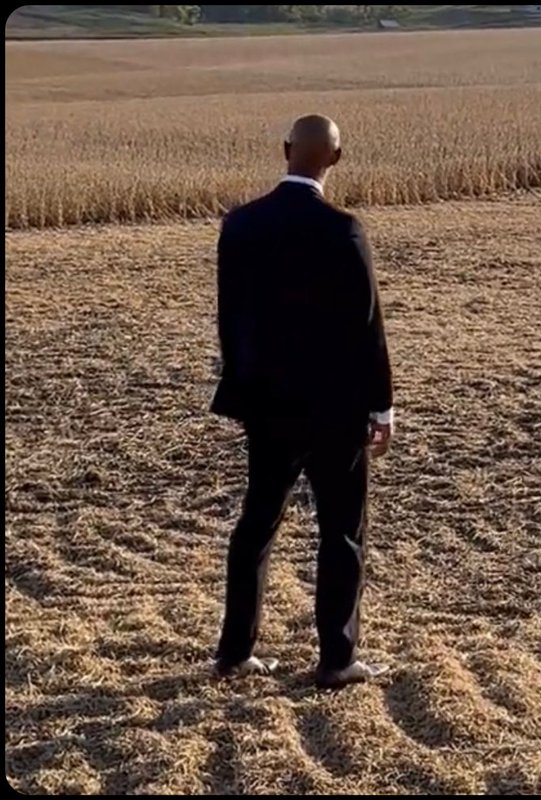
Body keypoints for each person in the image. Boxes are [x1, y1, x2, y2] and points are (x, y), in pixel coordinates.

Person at [210, 114, 394, 689]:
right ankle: (337, 661)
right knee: (341, 531)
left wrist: (241, 388)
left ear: (286, 149)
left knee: (257, 524)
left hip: (267, 406)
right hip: (336, 411)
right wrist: (381, 407)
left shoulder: (240, 225)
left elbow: (229, 319)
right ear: (335, 160)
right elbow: (369, 327)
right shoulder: (344, 230)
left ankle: (234, 652)